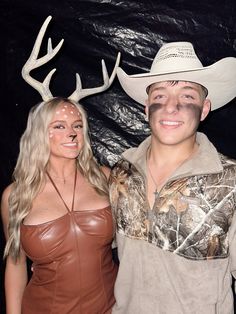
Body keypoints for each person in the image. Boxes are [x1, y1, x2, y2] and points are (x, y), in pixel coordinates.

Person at [1, 16, 120, 314]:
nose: (71, 132)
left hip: (111, 308)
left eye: (77, 125)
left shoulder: (105, 178)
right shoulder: (15, 196)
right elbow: (15, 265)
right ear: (39, 133)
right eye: (58, 126)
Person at [109, 41, 236, 314]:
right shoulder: (121, 173)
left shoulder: (230, 182)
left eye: (188, 96)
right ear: (146, 108)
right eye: (160, 96)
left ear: (204, 109)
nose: (171, 107)